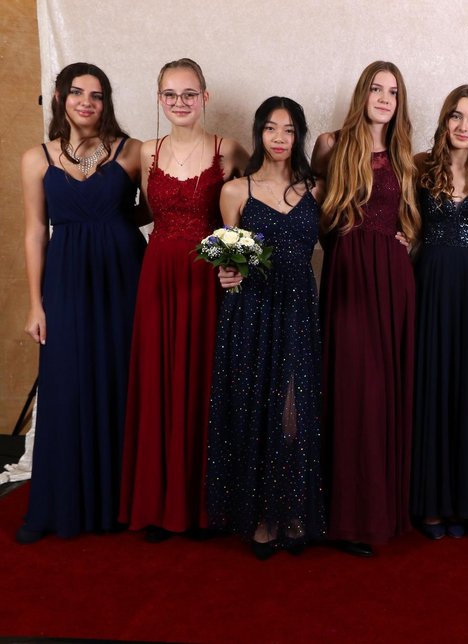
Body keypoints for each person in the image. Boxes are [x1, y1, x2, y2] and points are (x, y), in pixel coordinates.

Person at [119, 58, 247, 543]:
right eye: (170, 94)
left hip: (207, 278)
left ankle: (205, 506)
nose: (180, 102)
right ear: (159, 98)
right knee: (159, 380)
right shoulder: (144, 152)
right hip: (157, 276)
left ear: (205, 97)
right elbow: (125, 207)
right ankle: (159, 503)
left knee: (205, 382)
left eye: (189, 93)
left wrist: (239, 263)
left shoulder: (228, 149)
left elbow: (251, 205)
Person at [18, 63, 146, 543]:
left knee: (120, 376)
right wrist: (36, 304)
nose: (86, 102)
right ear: (59, 97)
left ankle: (123, 503)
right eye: (77, 93)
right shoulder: (36, 158)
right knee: (67, 381)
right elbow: (35, 231)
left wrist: (115, 220)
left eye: (96, 95)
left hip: (124, 273)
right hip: (66, 276)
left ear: (106, 101)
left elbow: (160, 206)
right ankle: (64, 504)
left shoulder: (133, 151)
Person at [205, 97, 327, 560]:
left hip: (298, 311)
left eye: (289, 129)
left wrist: (402, 237)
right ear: (259, 133)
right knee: (254, 410)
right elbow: (228, 259)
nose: (279, 138)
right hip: (251, 312)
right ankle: (259, 517)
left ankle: (291, 510)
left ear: (299, 136)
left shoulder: (316, 190)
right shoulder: (235, 191)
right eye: (271, 128)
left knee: (292, 415)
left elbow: (346, 239)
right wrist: (224, 272)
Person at [312, 61, 419, 557]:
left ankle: (379, 511)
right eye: (376, 89)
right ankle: (345, 516)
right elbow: (308, 205)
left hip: (393, 279)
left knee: (384, 391)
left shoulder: (404, 155)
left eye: (392, 92)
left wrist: (410, 238)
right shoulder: (331, 145)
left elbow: (414, 217)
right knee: (353, 388)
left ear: (399, 102)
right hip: (349, 274)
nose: (383, 98)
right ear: (362, 94)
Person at [410, 85, 468, 539]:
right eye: (457, 117)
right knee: (433, 383)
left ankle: (465, 502)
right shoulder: (420, 166)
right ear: (445, 121)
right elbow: (401, 219)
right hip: (431, 281)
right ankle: (431, 504)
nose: (464, 126)